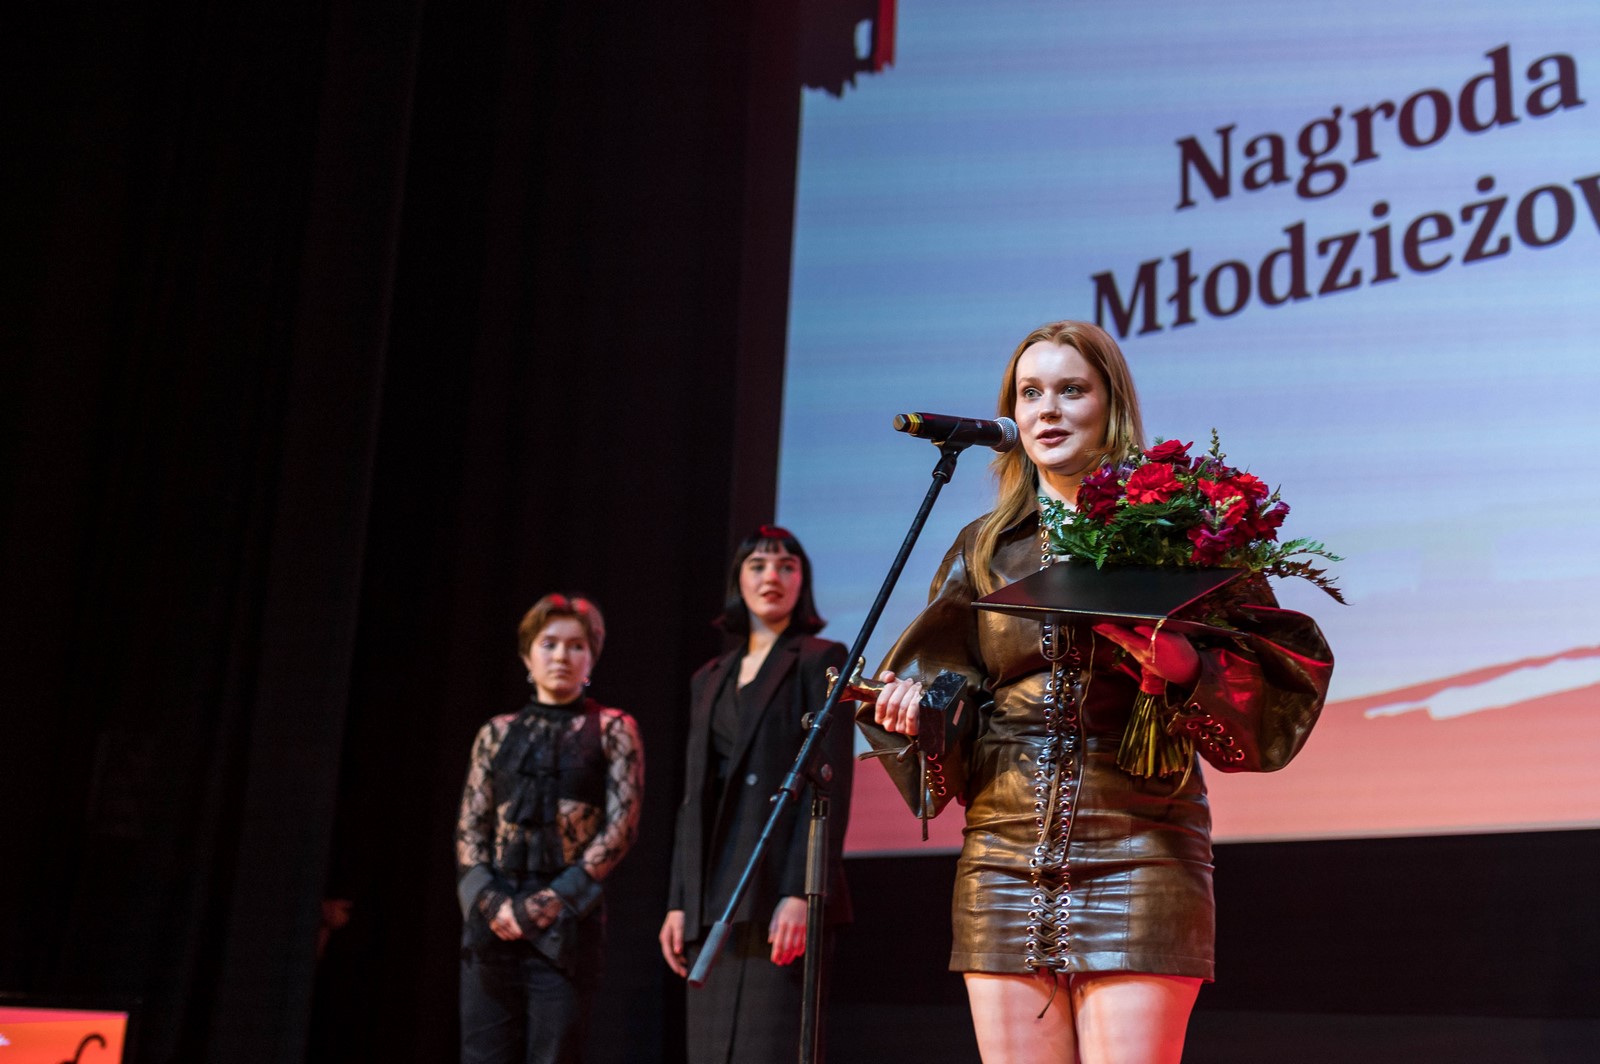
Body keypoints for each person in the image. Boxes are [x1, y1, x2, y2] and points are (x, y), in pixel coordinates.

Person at [863, 321, 1333, 1064]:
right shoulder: (985, 547)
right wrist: (920, 713)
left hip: (1143, 845)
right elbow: (956, 695)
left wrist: (1186, 667)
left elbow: (1273, 680)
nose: (1047, 409)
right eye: (1030, 393)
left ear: (1111, 405)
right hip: (1002, 854)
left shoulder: (1184, 533)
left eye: (1071, 390)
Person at [658, 525, 853, 1063]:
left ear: (802, 582)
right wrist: (678, 901)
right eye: (759, 565)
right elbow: (692, 800)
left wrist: (801, 892)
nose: (773, 576)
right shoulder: (709, 677)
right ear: (738, 580)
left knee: (768, 1049)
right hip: (711, 894)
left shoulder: (820, 658)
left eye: (787, 566)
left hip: (776, 888)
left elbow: (831, 784)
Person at [455, 594, 643, 1064]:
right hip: (492, 923)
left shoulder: (613, 728)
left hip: (565, 926)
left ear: (591, 658)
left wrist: (550, 902)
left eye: (576, 646)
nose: (562, 656)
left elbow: (620, 829)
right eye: (549, 643)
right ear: (527, 656)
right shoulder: (496, 732)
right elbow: (470, 828)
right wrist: (490, 903)